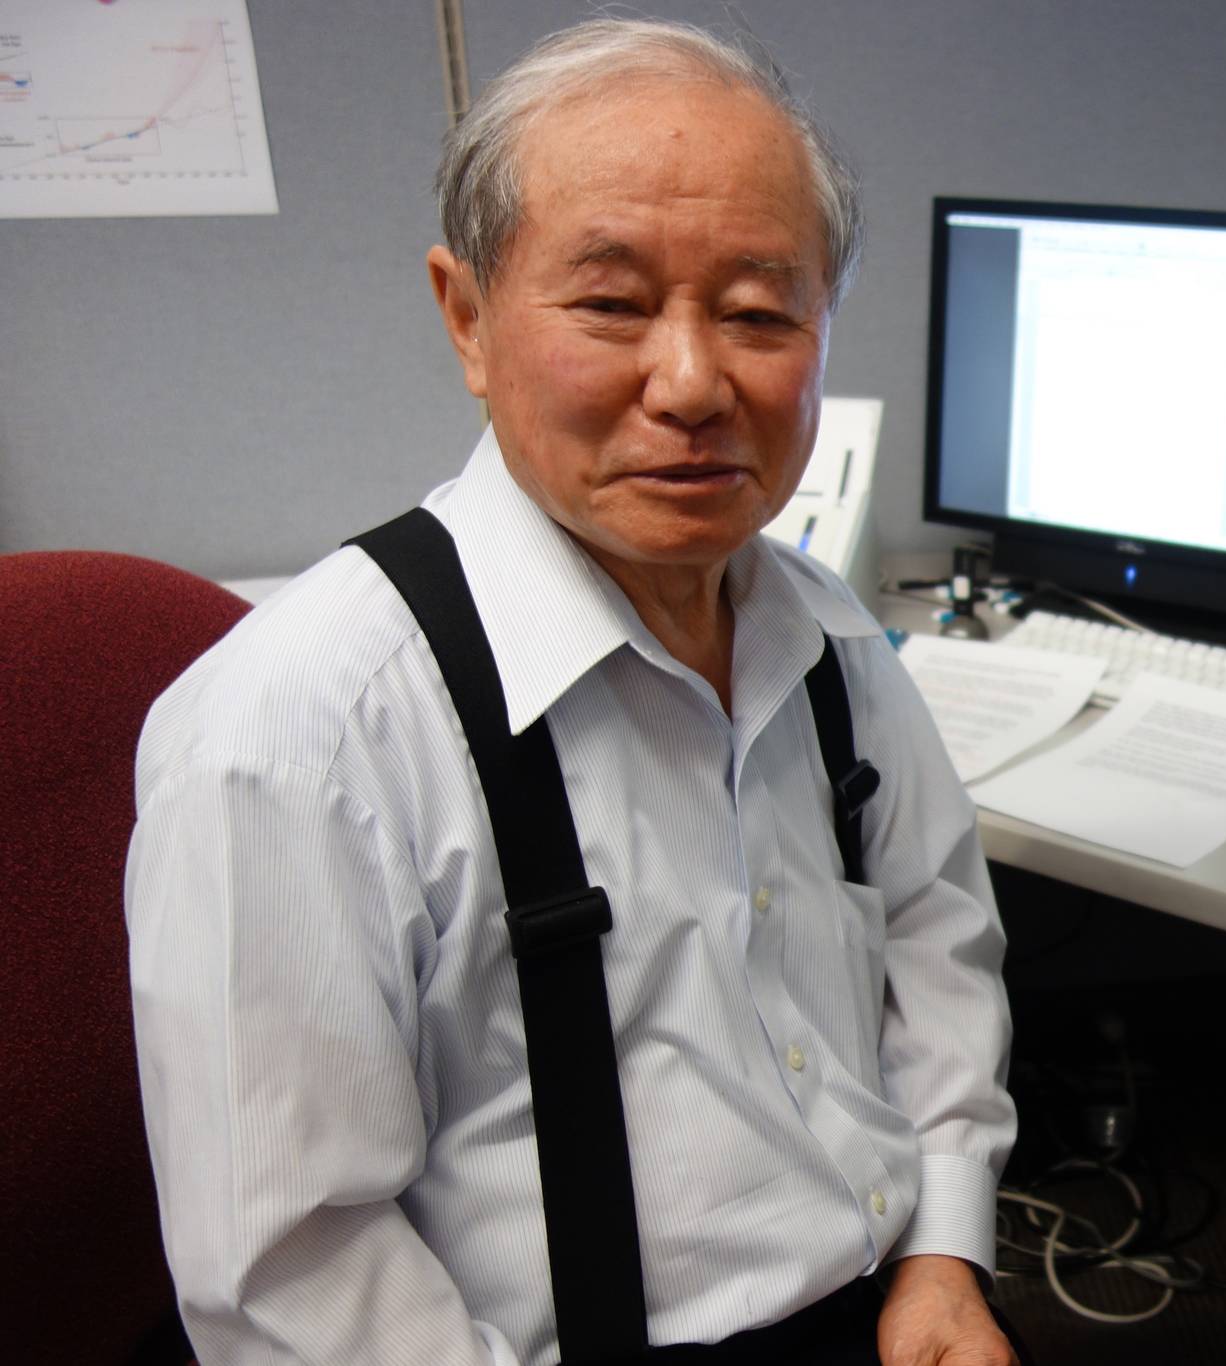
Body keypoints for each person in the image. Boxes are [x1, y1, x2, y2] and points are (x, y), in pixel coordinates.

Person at [125, 19, 1018, 1365]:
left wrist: (945, 1253)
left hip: (886, 1302)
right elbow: (296, 1287)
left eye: (761, 312)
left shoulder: (826, 637)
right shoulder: (293, 738)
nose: (693, 381)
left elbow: (936, 945)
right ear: (469, 318)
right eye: (611, 304)